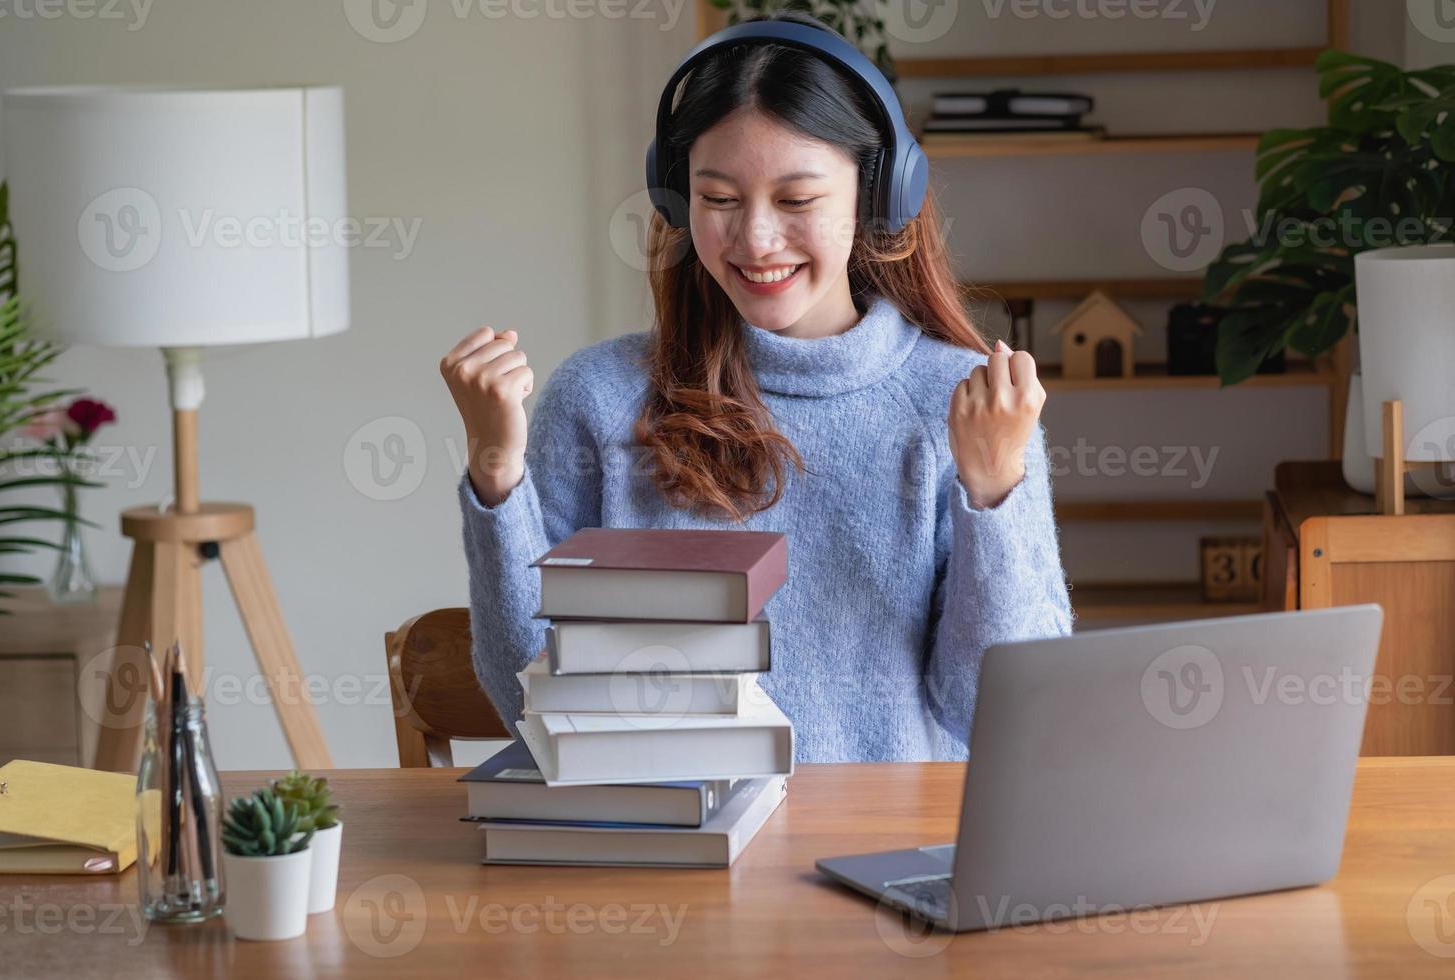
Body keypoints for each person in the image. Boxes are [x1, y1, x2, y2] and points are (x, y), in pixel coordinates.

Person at [440, 14, 1073, 762]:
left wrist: (993, 495)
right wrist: (496, 477)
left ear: (878, 196)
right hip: (671, 856)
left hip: (880, 861)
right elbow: (529, 704)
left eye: (796, 200)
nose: (755, 240)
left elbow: (997, 715)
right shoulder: (597, 399)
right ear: (678, 202)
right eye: (718, 199)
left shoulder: (963, 406)